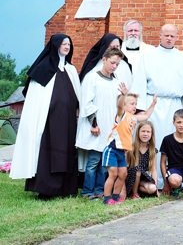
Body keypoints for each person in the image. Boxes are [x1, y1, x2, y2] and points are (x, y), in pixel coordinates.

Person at [11, 34, 81, 198]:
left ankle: (65, 188)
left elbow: (77, 96)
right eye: (64, 44)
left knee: (67, 152)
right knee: (49, 153)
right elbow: (35, 99)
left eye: (69, 45)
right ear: (55, 45)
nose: (66, 47)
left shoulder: (70, 70)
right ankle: (46, 190)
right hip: (48, 122)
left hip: (69, 121)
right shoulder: (43, 69)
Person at [129, 24, 183, 187]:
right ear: (160, 35)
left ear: (177, 37)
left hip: (175, 105)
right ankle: (154, 179)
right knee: (153, 141)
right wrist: (141, 108)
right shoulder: (148, 56)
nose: (169, 38)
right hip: (154, 105)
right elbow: (140, 81)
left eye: (172, 36)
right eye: (166, 35)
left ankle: (173, 180)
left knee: (175, 144)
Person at [76, 47, 128, 200]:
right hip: (97, 126)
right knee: (93, 160)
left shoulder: (116, 81)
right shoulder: (92, 78)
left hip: (109, 128)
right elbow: (87, 102)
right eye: (112, 63)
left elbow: (119, 106)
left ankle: (100, 191)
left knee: (105, 163)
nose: (114, 66)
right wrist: (94, 123)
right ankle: (87, 191)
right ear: (104, 60)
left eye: (117, 64)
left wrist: (124, 95)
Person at [101, 91, 158, 205]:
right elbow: (119, 106)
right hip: (112, 150)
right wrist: (123, 95)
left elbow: (146, 115)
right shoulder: (121, 116)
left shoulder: (133, 118)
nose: (135, 106)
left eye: (136, 104)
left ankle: (116, 197)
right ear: (124, 105)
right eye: (132, 104)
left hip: (122, 151)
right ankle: (107, 198)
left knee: (123, 174)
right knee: (113, 174)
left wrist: (153, 103)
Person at [125, 121, 159, 199]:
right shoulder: (131, 148)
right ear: (138, 133)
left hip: (142, 179)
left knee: (152, 188)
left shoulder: (152, 150)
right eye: (143, 131)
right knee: (137, 171)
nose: (145, 134)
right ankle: (134, 193)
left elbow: (154, 170)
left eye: (148, 132)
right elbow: (125, 168)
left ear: (151, 134)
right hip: (131, 177)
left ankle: (137, 190)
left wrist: (156, 188)